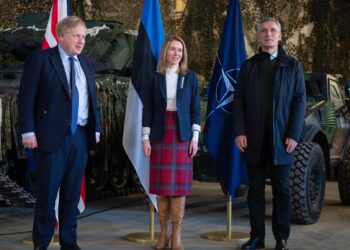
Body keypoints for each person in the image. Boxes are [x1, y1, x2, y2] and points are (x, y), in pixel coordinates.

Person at [18, 16, 101, 250]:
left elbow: (92, 100)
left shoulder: (85, 62)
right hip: (51, 137)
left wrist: (96, 128)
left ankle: (69, 242)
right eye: (76, 35)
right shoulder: (41, 60)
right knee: (47, 197)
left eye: (83, 36)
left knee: (72, 195)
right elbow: (26, 99)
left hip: (80, 138)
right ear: (61, 36)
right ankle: (41, 244)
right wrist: (28, 131)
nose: (81, 41)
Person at [233, 17, 306, 250]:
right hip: (253, 139)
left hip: (282, 140)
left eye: (273, 30)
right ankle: (257, 238)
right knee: (255, 191)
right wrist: (240, 131)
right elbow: (239, 101)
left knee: (282, 190)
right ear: (258, 36)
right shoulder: (249, 66)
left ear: (280, 35)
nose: (268, 34)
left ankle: (281, 239)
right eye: (264, 30)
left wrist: (294, 134)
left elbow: (299, 101)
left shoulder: (293, 66)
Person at [142, 34, 201, 250]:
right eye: (172, 49)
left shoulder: (190, 77)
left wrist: (195, 138)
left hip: (182, 135)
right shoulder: (154, 77)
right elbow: (147, 108)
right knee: (162, 186)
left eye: (180, 50)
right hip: (159, 134)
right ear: (165, 52)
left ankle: (176, 234)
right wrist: (145, 138)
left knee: (178, 188)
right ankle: (163, 233)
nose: (176, 53)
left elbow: (195, 109)